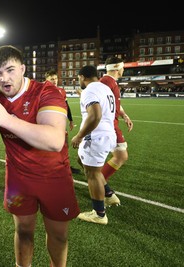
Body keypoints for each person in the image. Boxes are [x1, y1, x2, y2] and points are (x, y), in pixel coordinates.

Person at [0, 45, 80, 267]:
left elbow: (54, 141)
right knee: (23, 231)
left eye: (10, 70)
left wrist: (6, 119)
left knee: (59, 235)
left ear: (23, 68)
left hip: (54, 178)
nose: (5, 78)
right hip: (19, 180)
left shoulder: (47, 92)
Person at [71, 65, 116, 225]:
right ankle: (109, 194)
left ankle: (99, 214)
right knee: (81, 161)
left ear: (82, 77)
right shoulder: (105, 88)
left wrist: (79, 135)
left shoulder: (90, 90)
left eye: (78, 78)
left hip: (96, 136)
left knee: (92, 173)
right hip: (107, 134)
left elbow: (95, 115)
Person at [99, 56, 134, 207]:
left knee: (120, 155)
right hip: (107, 125)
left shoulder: (111, 82)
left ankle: (100, 183)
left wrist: (124, 115)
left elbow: (116, 104)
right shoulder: (106, 82)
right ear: (116, 68)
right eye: (122, 67)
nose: (123, 69)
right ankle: (100, 183)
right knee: (120, 156)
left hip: (112, 124)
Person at [45, 70, 81, 175]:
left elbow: (66, 106)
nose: (54, 81)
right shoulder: (42, 90)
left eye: (56, 78)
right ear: (46, 80)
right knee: (50, 145)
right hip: (48, 123)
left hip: (61, 123)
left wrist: (71, 120)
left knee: (64, 144)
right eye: (52, 79)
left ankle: (64, 165)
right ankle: (51, 165)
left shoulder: (61, 91)